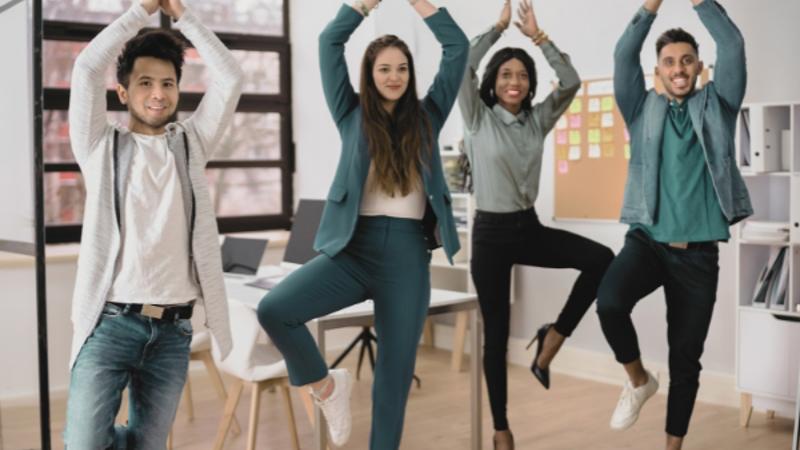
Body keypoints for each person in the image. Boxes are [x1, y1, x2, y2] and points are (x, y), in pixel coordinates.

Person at [256, 0, 468, 449]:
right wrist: (358, 7)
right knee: (275, 310)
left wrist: (420, 5)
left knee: (392, 381)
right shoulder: (350, 113)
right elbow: (328, 42)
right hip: (353, 249)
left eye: (402, 69)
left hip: (408, 256)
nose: (393, 76)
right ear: (369, 75)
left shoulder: (429, 116)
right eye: (384, 68)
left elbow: (457, 47)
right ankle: (327, 385)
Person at [64, 0, 243, 446]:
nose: (158, 93)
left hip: (172, 331)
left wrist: (181, 14)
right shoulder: (98, 148)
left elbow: (231, 77)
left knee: (148, 443)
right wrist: (142, 10)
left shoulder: (192, 144)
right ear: (123, 93)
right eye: (145, 83)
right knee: (84, 442)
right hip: (109, 324)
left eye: (167, 83)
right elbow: (86, 69)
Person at [596, 1, 752, 449]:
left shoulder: (719, 104)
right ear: (657, 72)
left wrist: (702, 2)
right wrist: (650, 7)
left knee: (686, 361)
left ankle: (672, 446)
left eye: (686, 60)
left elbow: (733, 42)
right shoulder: (640, 108)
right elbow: (623, 55)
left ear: (699, 66)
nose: (678, 68)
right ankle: (638, 380)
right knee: (609, 302)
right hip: (648, 241)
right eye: (669, 62)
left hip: (699, 255)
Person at [458, 1, 613, 448]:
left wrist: (538, 40)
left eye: (522, 76)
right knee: (496, 337)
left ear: (529, 86)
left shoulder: (537, 120)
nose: (514, 82)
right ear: (494, 81)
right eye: (506, 74)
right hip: (490, 235)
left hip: (528, 229)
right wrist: (498, 28)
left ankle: (554, 336)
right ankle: (501, 428)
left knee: (601, 259)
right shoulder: (476, 116)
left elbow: (570, 82)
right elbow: (463, 64)